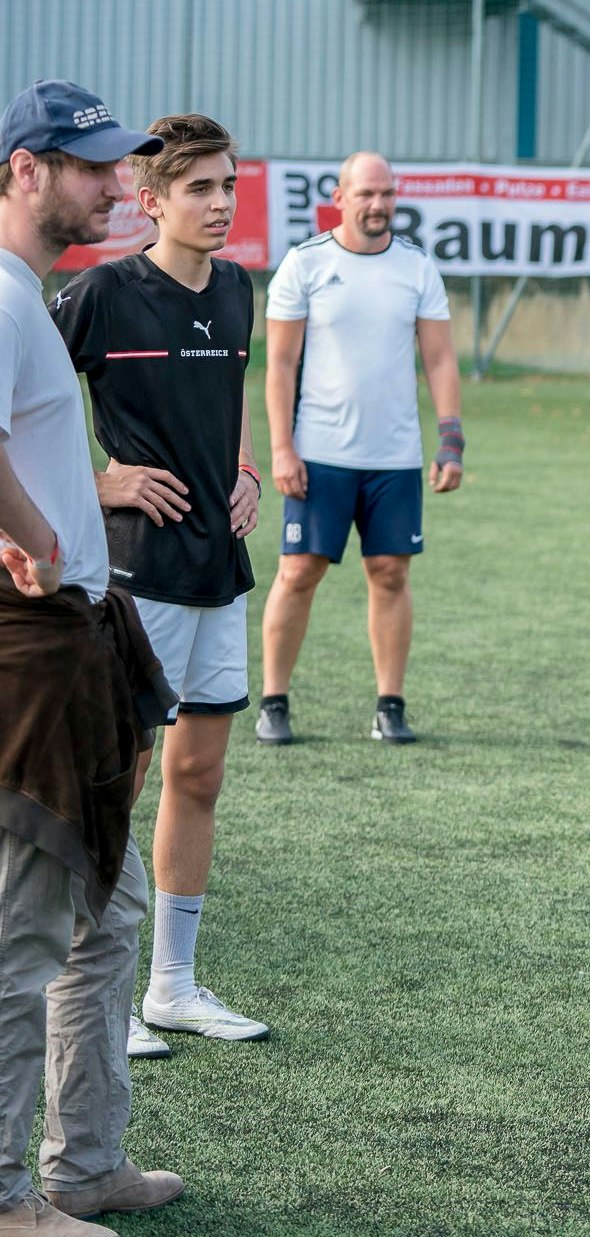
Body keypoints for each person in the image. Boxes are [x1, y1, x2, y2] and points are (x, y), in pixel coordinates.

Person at [0, 78, 186, 1236]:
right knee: (24, 931)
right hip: (31, 649)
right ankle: (9, 1195)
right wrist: (35, 540)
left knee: (107, 912)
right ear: (24, 169)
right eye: (93, 168)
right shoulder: (2, 295)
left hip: (82, 631)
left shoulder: (30, 295)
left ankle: (87, 1162)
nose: (120, 186)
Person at [49, 113, 271, 1058]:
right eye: (201, 189)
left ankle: (174, 987)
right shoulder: (99, 291)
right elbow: (28, 409)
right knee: (120, 779)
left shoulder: (236, 289)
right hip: (135, 575)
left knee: (200, 774)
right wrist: (101, 480)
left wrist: (248, 468)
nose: (222, 205)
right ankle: (90, 985)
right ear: (150, 202)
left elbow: (226, 406)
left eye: (228, 186)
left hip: (218, 567)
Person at [256, 151, 463, 746]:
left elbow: (441, 358)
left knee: (391, 573)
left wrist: (451, 441)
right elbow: (281, 365)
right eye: (366, 193)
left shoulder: (417, 268)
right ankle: (274, 701)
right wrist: (282, 448)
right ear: (340, 197)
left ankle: (389, 706)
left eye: (387, 194)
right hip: (318, 453)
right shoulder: (305, 264)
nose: (378, 205)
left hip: (394, 457)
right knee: (298, 572)